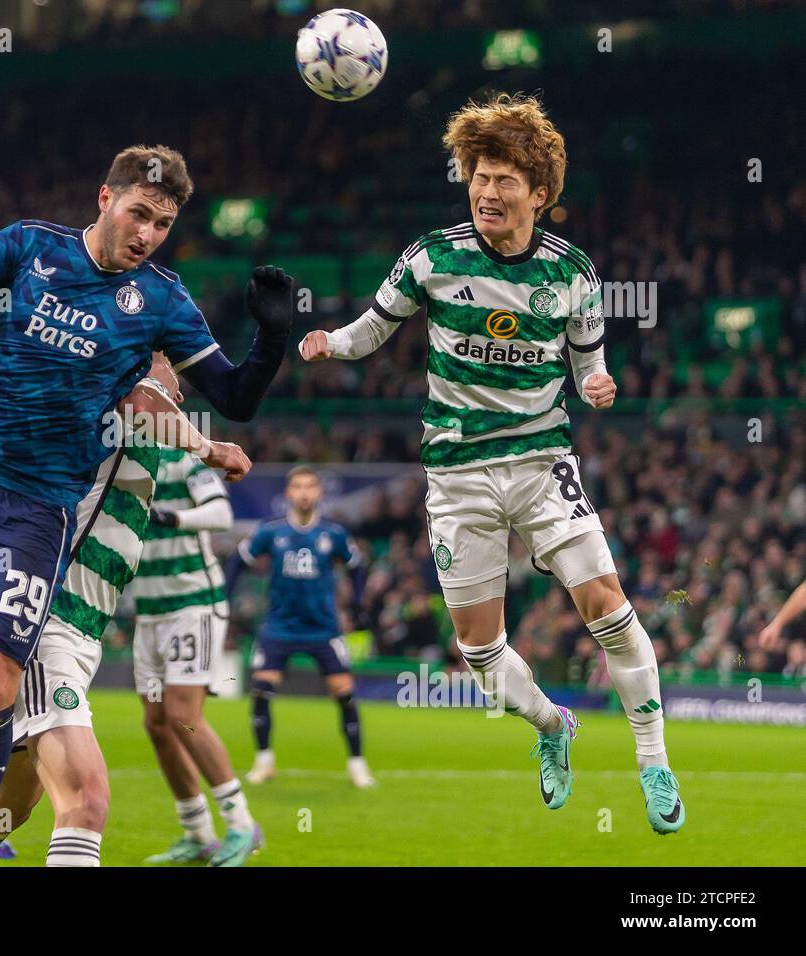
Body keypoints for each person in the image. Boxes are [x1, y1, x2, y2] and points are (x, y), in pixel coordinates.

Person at [0, 143, 293, 867]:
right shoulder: (31, 247)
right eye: (139, 214)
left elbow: (232, 397)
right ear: (106, 198)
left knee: (11, 728)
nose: (147, 234)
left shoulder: (159, 306)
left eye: (163, 224)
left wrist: (271, 340)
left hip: (36, 518)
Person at [298, 93, 684, 834]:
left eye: (505, 179)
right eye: (479, 175)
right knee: (479, 654)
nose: (487, 191)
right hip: (457, 474)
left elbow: (587, 362)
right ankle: (551, 726)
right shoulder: (433, 257)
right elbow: (371, 329)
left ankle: (652, 759)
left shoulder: (572, 272)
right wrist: (328, 344)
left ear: (540, 194)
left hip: (541, 462)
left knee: (605, 601)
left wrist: (596, 383)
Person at [0, 354, 252, 867]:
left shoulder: (158, 441)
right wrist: (210, 444)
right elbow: (148, 403)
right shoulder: (112, 416)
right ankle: (232, 823)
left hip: (103, 618)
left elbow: (220, 508)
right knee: (89, 796)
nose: (180, 387)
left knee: (18, 797)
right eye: (170, 365)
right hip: (55, 619)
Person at [131, 415, 262, 865]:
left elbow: (223, 514)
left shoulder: (187, 455)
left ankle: (243, 825)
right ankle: (198, 833)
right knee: (157, 724)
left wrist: (170, 516)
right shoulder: (119, 463)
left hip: (193, 604)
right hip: (149, 610)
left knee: (184, 715)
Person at [225, 466, 373, 789]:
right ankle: (264, 761)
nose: (304, 492)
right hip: (279, 627)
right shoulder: (270, 531)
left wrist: (359, 604)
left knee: (345, 695)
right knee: (262, 691)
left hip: (323, 628)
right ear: (288, 493)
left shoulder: (333, 534)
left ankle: (357, 765)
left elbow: (357, 566)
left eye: (310, 486)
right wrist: (225, 597)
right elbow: (238, 559)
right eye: (297, 486)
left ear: (319, 493)